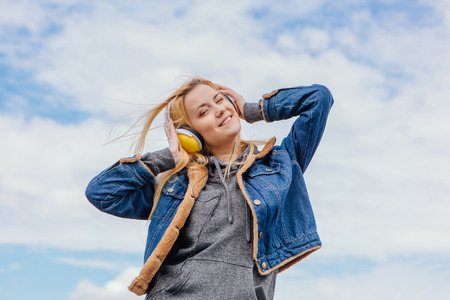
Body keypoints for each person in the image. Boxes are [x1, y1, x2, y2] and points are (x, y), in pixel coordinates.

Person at [85, 77, 333, 299]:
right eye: (204, 112)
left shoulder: (280, 167)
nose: (220, 110)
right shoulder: (177, 185)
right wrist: (169, 156)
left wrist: (254, 110)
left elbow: (319, 99)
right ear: (190, 133)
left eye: (220, 100)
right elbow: (101, 192)